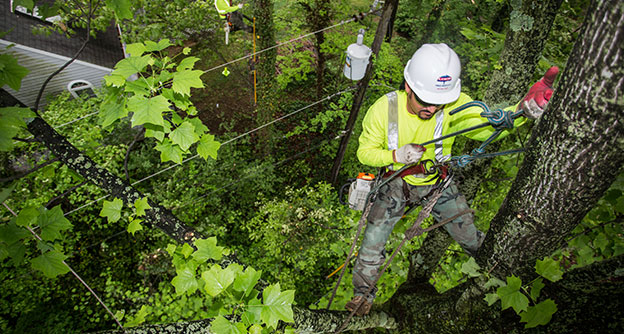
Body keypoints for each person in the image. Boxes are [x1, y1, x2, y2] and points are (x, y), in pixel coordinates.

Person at [345, 43, 558, 316]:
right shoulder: (384, 109)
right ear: (409, 86)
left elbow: (486, 126)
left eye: (438, 102)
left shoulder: (454, 105)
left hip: (436, 181)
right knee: (373, 241)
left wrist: (519, 112)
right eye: (424, 100)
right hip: (396, 179)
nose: (432, 109)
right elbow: (365, 153)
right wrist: (396, 154)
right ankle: (362, 297)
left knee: (470, 236)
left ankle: (500, 274)